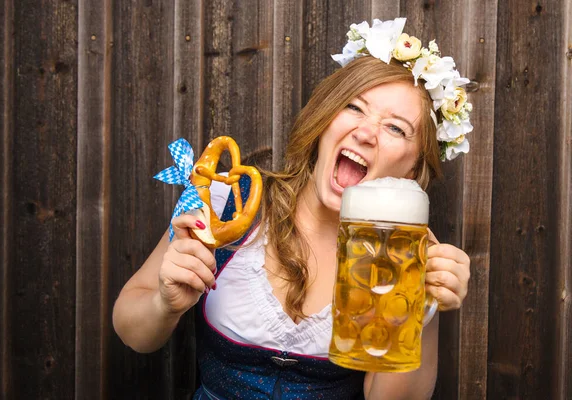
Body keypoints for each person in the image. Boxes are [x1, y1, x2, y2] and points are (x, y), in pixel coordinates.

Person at [113, 18, 472, 399]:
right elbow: (131, 331)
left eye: (396, 128)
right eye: (354, 107)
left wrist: (422, 307)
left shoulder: (404, 259)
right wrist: (164, 305)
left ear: (413, 167)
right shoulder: (227, 202)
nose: (366, 133)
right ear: (325, 119)